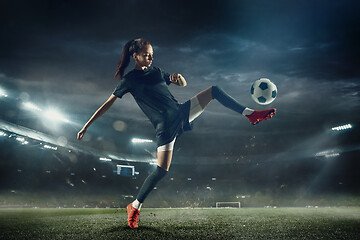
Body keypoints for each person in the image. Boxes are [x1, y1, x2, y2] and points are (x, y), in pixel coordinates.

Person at [77, 38, 276, 228]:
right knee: (162, 170)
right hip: (165, 127)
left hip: (181, 113)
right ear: (135, 55)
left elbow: (183, 84)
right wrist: (87, 124)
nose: (151, 58)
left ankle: (250, 114)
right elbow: (107, 103)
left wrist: (179, 79)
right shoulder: (129, 80)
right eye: (147, 55)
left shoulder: (156, 71)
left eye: (152, 55)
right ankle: (135, 206)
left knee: (214, 90)